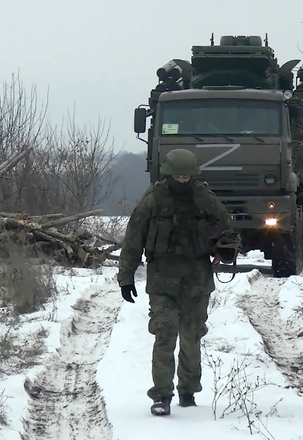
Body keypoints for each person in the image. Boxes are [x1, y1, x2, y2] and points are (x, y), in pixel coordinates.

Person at [117, 148, 236, 416]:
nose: (183, 180)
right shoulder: (154, 200)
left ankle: (188, 391)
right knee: (165, 334)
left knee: (192, 336)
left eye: (187, 176)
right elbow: (134, 238)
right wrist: (126, 276)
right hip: (163, 280)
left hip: (196, 278)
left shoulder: (205, 198)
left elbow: (228, 230)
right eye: (178, 176)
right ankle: (161, 394)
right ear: (169, 175)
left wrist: (224, 249)